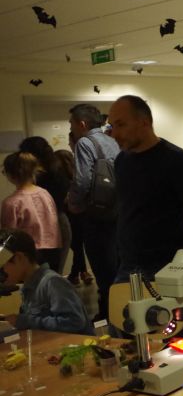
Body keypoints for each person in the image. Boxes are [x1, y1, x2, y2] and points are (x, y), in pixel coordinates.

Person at [0, 228, 91, 396]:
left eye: (4, 266)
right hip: (47, 357)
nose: (2, 273)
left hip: (74, 360)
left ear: (19, 258)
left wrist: (23, 321)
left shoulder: (52, 283)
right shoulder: (29, 288)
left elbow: (73, 323)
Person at [107, 95, 183, 283]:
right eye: (112, 126)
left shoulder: (178, 161)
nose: (114, 134)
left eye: (121, 125)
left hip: (166, 266)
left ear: (144, 122)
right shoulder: (121, 161)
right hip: (128, 265)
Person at [67, 104, 119, 320]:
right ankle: (119, 312)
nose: (71, 128)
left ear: (81, 124)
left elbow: (82, 180)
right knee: (116, 265)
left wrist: (73, 203)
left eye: (71, 123)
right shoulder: (113, 140)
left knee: (102, 267)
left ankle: (106, 314)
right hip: (117, 212)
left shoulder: (85, 143)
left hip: (96, 215)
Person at [1, 152, 62, 271]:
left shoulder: (11, 203)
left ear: (11, 175)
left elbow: (8, 236)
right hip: (54, 248)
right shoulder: (45, 193)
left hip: (30, 254)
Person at [19, 136, 72, 273]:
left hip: (49, 224)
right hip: (60, 222)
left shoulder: (38, 179)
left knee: (44, 274)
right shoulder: (57, 170)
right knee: (54, 273)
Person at [55, 148, 90, 284]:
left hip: (68, 215)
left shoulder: (60, 179)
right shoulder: (77, 176)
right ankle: (81, 272)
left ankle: (78, 273)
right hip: (80, 214)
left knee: (75, 245)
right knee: (78, 245)